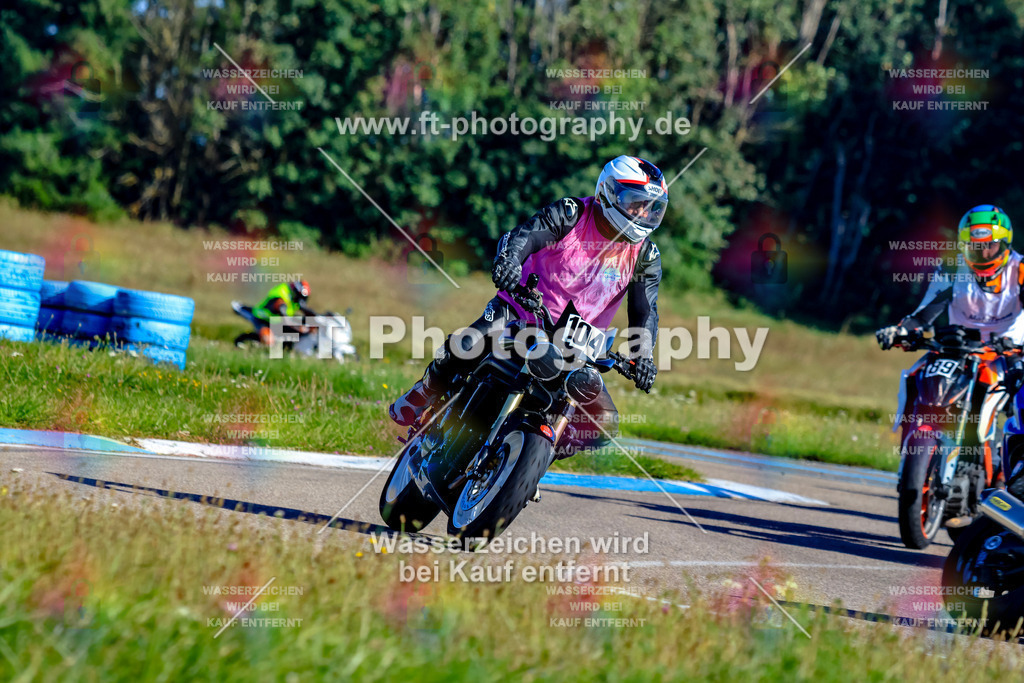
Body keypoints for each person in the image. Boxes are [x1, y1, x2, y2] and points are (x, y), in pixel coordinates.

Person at [389, 155, 667, 457]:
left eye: (650, 207)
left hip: (578, 346)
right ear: (608, 192)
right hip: (522, 309)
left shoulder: (646, 255)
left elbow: (645, 311)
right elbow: (526, 235)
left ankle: (531, 455)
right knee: (466, 344)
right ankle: (425, 390)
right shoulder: (572, 213)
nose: (641, 213)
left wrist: (643, 356)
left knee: (605, 424)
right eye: (634, 202)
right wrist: (509, 261)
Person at [877, 204, 1024, 487]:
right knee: (915, 376)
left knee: (1020, 393)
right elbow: (923, 315)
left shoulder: (1021, 270)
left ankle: (1010, 470)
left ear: (1004, 244)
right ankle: (913, 452)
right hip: (959, 349)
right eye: (973, 247)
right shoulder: (951, 267)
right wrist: (899, 332)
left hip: (1009, 352)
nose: (981, 254)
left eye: (989, 247)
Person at [250, 280, 313, 345]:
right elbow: (282, 311)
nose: (301, 301)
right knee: (268, 340)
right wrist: (298, 327)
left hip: (277, 321)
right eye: (300, 298)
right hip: (263, 318)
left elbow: (304, 309)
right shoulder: (282, 292)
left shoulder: (295, 299)